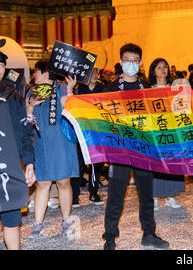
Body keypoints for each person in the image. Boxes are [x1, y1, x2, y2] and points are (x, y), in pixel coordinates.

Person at [102, 43, 168, 250]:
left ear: (140, 63)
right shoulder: (110, 89)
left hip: (143, 149)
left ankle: (149, 233)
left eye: (135, 61)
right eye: (127, 60)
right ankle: (110, 237)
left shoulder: (147, 88)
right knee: (115, 195)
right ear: (121, 62)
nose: (131, 64)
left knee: (146, 194)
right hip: (120, 150)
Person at [25, 61, 79, 239]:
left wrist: (71, 89)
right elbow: (26, 120)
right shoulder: (31, 92)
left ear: (46, 73)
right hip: (40, 143)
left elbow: (70, 110)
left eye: (36, 72)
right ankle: (38, 224)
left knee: (64, 182)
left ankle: (66, 220)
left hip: (62, 141)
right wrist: (31, 106)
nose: (34, 75)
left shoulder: (62, 88)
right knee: (42, 183)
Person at [0, 52, 36, 249]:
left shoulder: (12, 95)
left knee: (11, 220)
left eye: (1, 65)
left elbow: (23, 133)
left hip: (8, 170)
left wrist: (29, 163)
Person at [148, 58, 185, 210]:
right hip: (155, 131)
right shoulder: (148, 89)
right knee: (155, 164)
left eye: (165, 67)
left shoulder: (175, 88)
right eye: (159, 67)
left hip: (173, 130)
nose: (163, 70)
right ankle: (154, 197)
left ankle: (171, 196)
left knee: (173, 162)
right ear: (153, 71)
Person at [70, 67, 106, 207]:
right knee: (78, 165)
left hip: (98, 132)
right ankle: (74, 195)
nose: (95, 75)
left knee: (96, 165)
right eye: (92, 73)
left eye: (97, 72)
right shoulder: (78, 90)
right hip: (81, 132)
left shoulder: (104, 89)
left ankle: (93, 193)